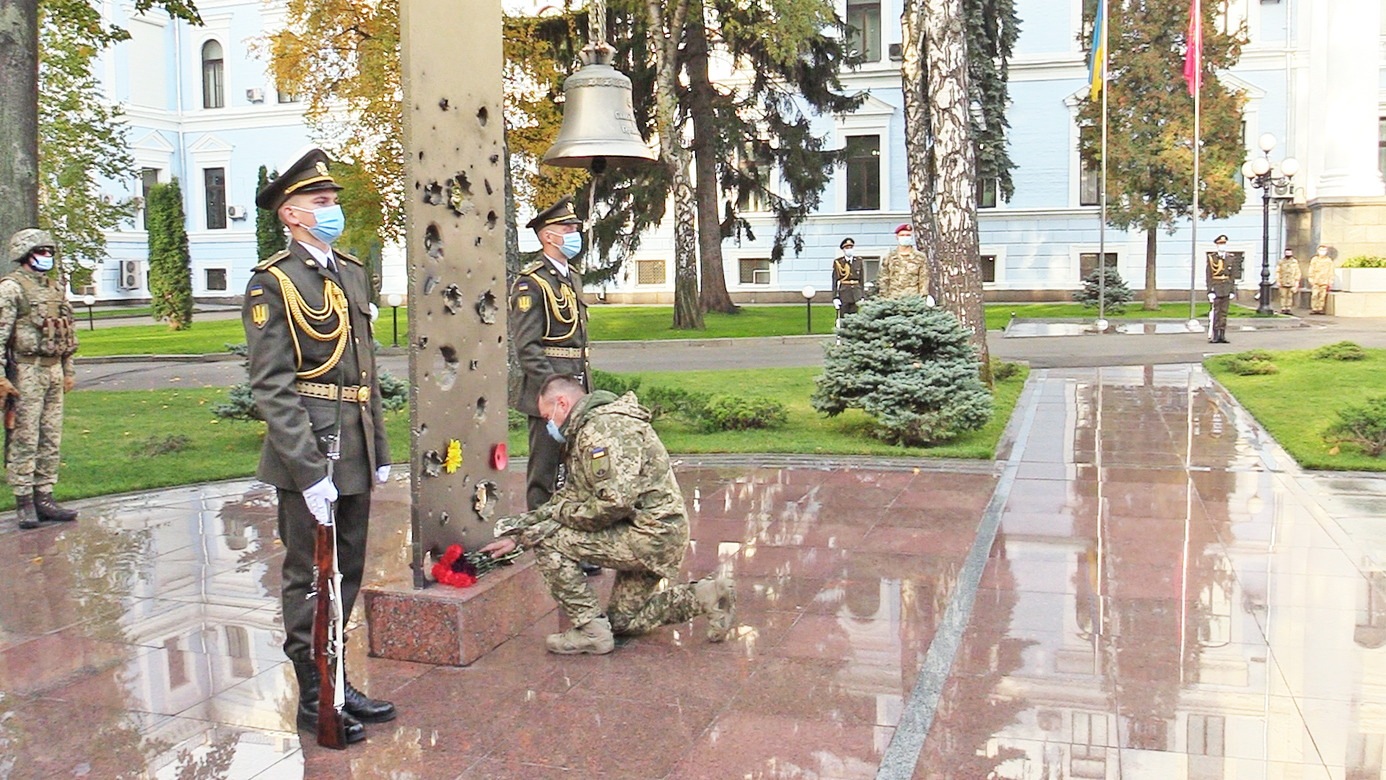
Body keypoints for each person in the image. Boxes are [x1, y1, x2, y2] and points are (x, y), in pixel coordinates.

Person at [243, 147, 395, 745]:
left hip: (352, 444)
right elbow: (273, 386)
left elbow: (364, 369)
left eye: (334, 202)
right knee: (310, 575)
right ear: (291, 214)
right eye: (320, 203)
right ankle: (315, 696)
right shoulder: (273, 282)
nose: (333, 212)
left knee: (347, 571)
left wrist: (378, 447)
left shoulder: (351, 271)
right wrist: (308, 471)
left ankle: (338, 674)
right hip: (309, 449)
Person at [479, 376, 736, 655]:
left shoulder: (603, 431)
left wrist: (534, 536)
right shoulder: (588, 428)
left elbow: (614, 503)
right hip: (652, 531)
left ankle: (590, 631)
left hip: (650, 535)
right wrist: (517, 533)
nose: (547, 425)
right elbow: (570, 498)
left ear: (562, 404)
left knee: (549, 542)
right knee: (624, 621)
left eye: (546, 417)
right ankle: (708, 595)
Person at [0, 229, 79, 530]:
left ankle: (45, 497)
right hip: (25, 369)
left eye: (50, 252)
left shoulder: (55, 288)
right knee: (24, 436)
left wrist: (68, 369)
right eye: (41, 252)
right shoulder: (11, 288)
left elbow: (67, 333)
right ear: (25, 254)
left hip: (53, 370)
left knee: (50, 435)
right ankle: (23, 501)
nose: (47, 257)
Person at [1205, 234, 1243, 344]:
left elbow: (1232, 276)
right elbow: (1209, 275)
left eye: (1224, 244)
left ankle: (1222, 334)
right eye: (1220, 244)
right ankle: (1215, 335)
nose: (1222, 246)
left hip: (1226, 287)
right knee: (1216, 312)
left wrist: (1232, 290)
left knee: (1224, 313)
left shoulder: (1230, 257)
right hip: (1216, 287)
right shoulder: (1212, 258)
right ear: (1217, 245)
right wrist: (1210, 290)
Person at [878, 224, 929, 300]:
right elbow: (883, 279)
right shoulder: (889, 257)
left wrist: (922, 297)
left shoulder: (920, 257)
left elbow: (923, 279)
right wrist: (885, 298)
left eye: (908, 235)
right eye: (902, 235)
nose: (905, 237)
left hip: (913, 297)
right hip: (893, 298)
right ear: (897, 237)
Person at [832, 238, 864, 319]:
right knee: (843, 317)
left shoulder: (858, 261)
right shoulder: (838, 262)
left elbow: (861, 279)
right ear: (843, 250)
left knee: (855, 317)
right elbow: (835, 281)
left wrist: (862, 295)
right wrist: (835, 297)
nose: (849, 250)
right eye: (847, 248)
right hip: (844, 293)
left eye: (851, 247)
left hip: (856, 293)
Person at [1308, 244, 1334, 315]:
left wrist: (1330, 280)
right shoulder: (1314, 259)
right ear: (1318, 251)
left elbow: (1331, 271)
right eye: (1321, 250)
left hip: (1324, 281)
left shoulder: (1328, 260)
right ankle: (1314, 308)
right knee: (1315, 295)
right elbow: (1311, 269)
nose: (1322, 252)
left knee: (1322, 296)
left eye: (1324, 250)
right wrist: (1310, 278)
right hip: (1316, 280)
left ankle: (1320, 308)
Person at [1276, 248, 1302, 314]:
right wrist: (1278, 281)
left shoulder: (1294, 262)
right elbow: (1277, 271)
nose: (1288, 254)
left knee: (1290, 296)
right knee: (1283, 295)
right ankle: (1283, 308)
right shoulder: (1281, 262)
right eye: (1287, 253)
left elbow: (1297, 272)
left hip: (1292, 281)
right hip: (1283, 281)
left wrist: (1297, 281)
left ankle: (1288, 308)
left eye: (1289, 253)